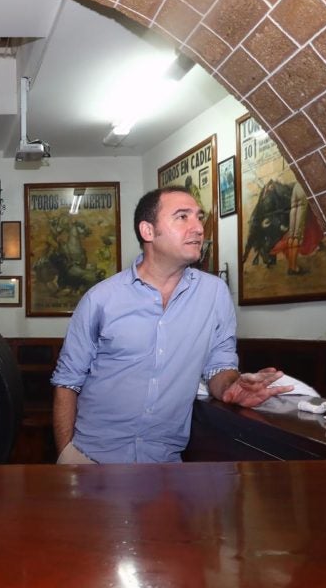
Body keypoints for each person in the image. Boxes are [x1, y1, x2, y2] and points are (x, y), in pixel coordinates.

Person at [51, 185, 291, 464]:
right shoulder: (100, 299)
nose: (199, 228)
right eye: (182, 217)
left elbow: (219, 366)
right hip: (90, 459)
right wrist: (66, 457)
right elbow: (67, 382)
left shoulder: (214, 294)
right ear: (148, 231)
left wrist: (232, 386)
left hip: (165, 468)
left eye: (199, 217)